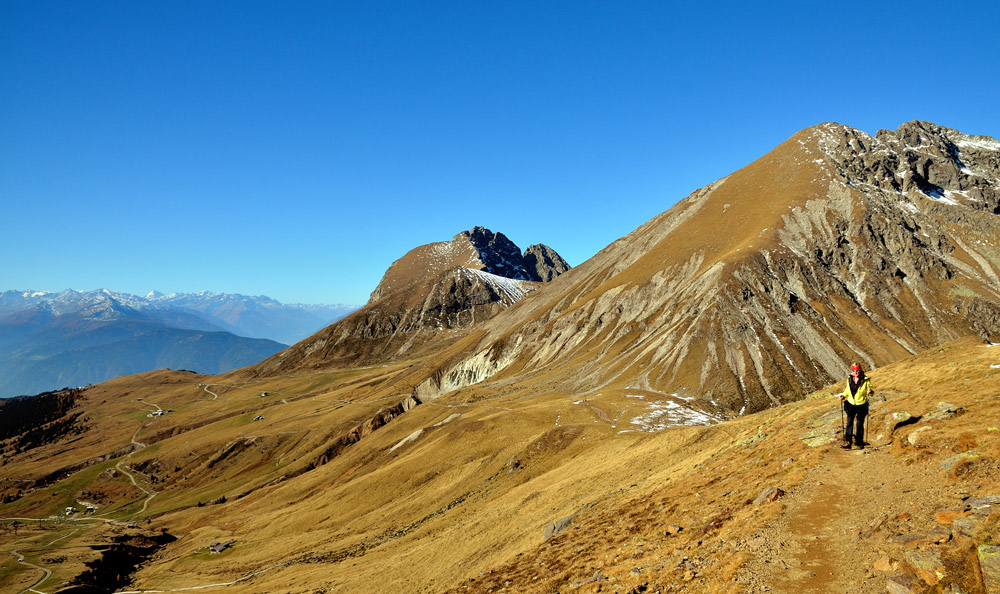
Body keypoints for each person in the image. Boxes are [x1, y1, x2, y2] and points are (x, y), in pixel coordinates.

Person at [841, 363, 872, 449]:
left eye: (857, 370)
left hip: (861, 404)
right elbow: (847, 390)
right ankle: (848, 442)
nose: (856, 372)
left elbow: (870, 391)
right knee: (849, 423)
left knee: (859, 423)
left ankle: (859, 442)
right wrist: (843, 395)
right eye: (854, 370)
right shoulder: (849, 379)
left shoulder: (865, 380)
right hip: (851, 403)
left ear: (860, 370)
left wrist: (870, 392)